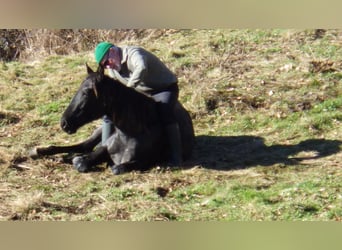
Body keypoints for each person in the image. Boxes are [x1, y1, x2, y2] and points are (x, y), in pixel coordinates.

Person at [94, 42, 182, 166]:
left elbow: (141, 67)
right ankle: (105, 151)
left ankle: (176, 157)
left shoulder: (134, 53)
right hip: (140, 93)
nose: (108, 67)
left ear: (113, 51)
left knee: (165, 112)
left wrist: (128, 88)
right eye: (105, 66)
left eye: (107, 62)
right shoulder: (113, 71)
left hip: (162, 89)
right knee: (110, 115)